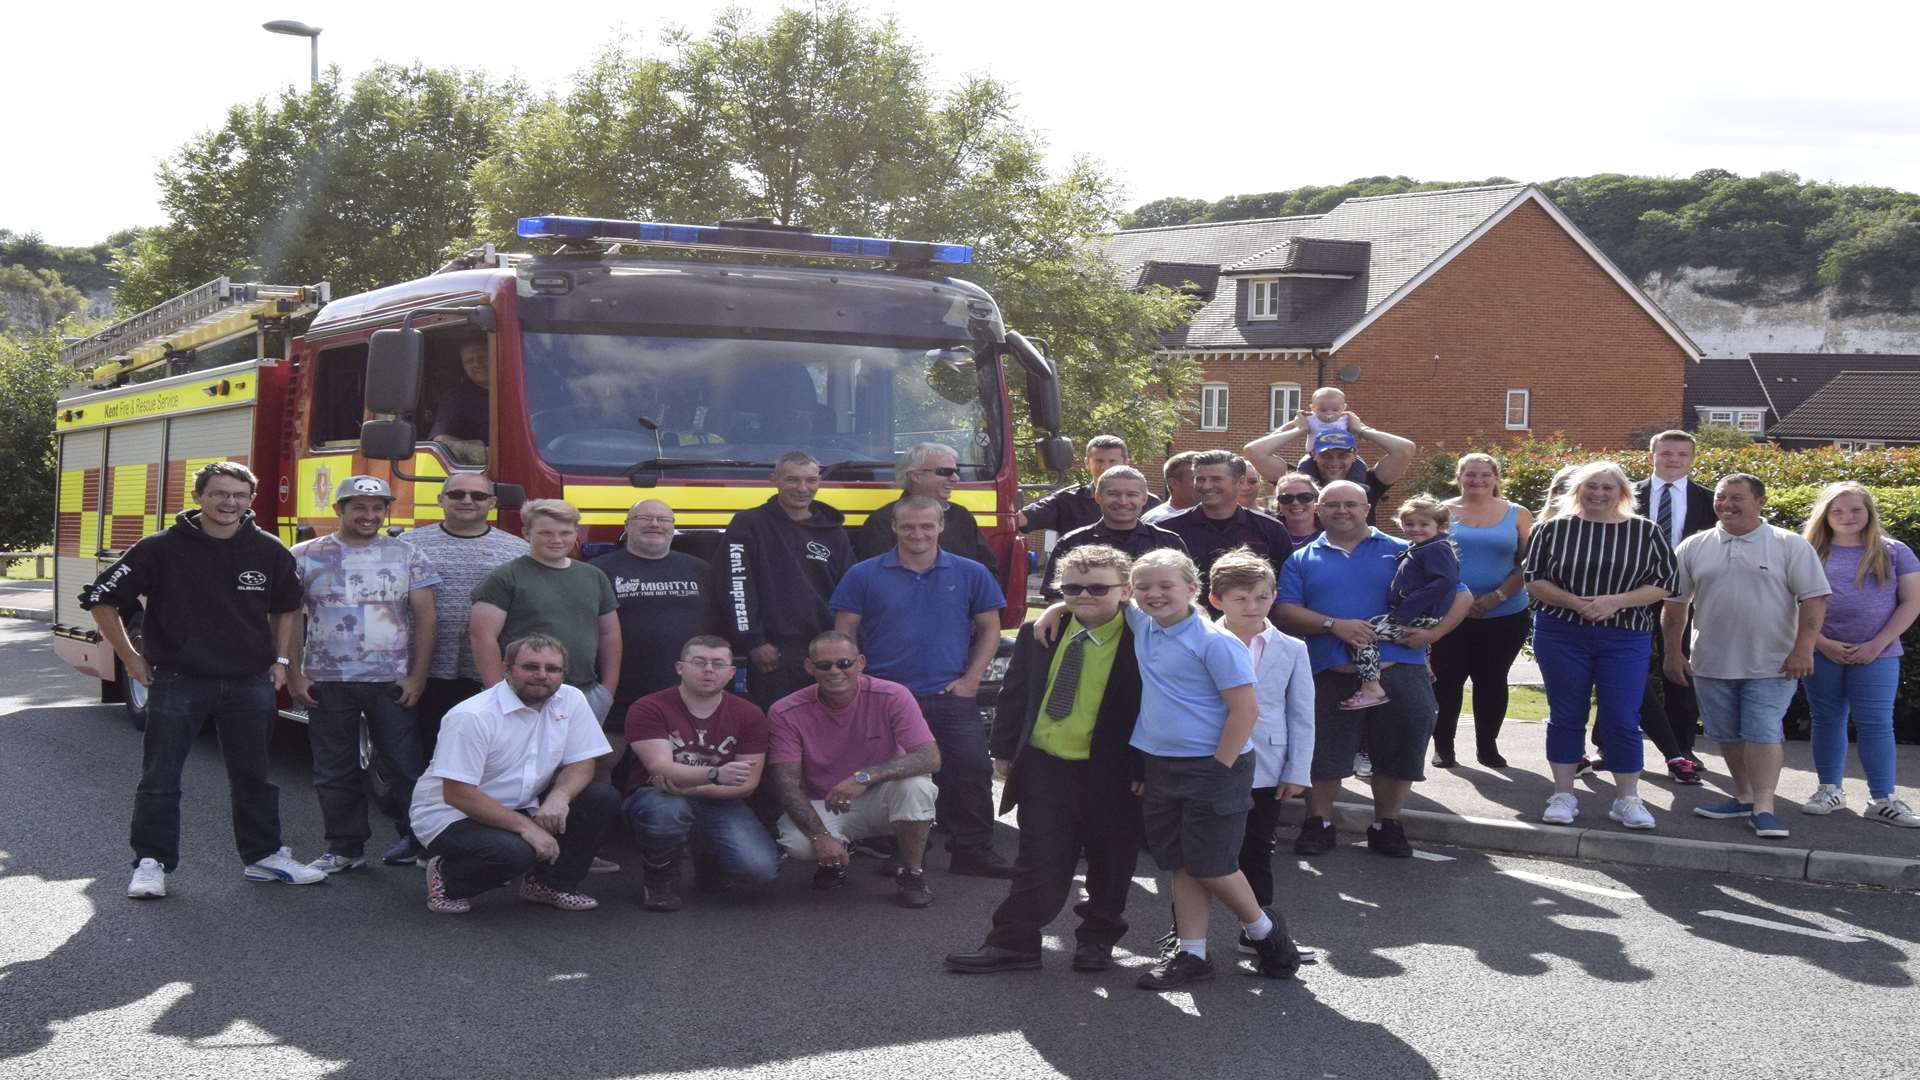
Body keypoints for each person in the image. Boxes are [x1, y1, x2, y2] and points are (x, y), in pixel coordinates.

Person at [87, 461, 327, 898]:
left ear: (250, 500)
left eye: (238, 495)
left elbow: (287, 606)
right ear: (199, 496)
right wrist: (132, 657)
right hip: (179, 680)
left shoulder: (269, 550)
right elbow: (101, 598)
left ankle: (264, 857)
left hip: (249, 682)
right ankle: (151, 863)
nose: (228, 502)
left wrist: (280, 662)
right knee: (161, 776)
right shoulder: (159, 547)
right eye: (218, 493)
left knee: (254, 775)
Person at [945, 545, 1146, 975]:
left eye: (1097, 587)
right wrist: (1002, 749)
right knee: (1038, 861)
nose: (1084, 596)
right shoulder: (1044, 632)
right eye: (1071, 588)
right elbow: (1015, 691)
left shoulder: (1147, 637)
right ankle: (1013, 943)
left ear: (1126, 590)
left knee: (1111, 861)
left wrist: (1146, 768)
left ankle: (1097, 940)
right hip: (1045, 765)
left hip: (1113, 770)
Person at [1107, 548, 1299, 989]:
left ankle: (1266, 932)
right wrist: (1054, 609)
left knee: (1212, 864)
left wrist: (1220, 768)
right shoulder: (1144, 624)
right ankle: (1192, 955)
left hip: (1215, 766)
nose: (1154, 595)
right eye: (1144, 587)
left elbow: (1245, 711)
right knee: (1181, 863)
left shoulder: (1215, 643)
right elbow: (1109, 599)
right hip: (1161, 766)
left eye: (1166, 586)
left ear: (1193, 590)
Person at [1275, 479, 1472, 859]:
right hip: (1330, 672)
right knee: (1323, 752)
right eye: (1332, 505)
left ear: (1367, 508)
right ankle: (1319, 822)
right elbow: (1284, 611)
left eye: (1351, 504)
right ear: (1319, 509)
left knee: (1401, 749)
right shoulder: (1302, 558)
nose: (1342, 511)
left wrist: (1434, 635)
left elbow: (1460, 593)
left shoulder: (1405, 549)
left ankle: (1387, 824)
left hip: (1402, 667)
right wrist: (1333, 624)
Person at [832, 496, 1012, 877]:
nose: (918, 533)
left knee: (971, 770)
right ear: (894, 527)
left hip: (950, 693)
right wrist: (857, 683)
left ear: (941, 527)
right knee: (896, 775)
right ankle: (905, 854)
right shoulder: (862, 574)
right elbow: (844, 633)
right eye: (909, 526)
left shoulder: (971, 572)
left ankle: (973, 850)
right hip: (885, 697)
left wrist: (971, 681)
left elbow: (990, 628)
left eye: (927, 526)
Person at [287, 475, 441, 873]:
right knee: (333, 769)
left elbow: (426, 619)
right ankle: (345, 847)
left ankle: (421, 842)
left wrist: (417, 676)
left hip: (391, 679)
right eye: (358, 506)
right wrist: (294, 675)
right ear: (338, 510)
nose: (369, 515)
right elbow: (287, 619)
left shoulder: (407, 555)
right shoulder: (303, 555)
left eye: (377, 507)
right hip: (326, 679)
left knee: (406, 767)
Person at [1667, 474, 1831, 840]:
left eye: (1737, 497)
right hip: (1711, 660)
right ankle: (1742, 796)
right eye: (1721, 497)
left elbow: (1814, 599)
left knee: (1762, 731)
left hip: (1772, 662)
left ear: (1760, 501)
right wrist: (1672, 654)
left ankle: (1764, 806)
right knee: (1726, 733)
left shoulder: (1790, 544)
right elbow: (1676, 605)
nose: (1726, 504)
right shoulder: (1693, 546)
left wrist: (1803, 649)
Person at [410, 634, 622, 913]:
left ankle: (550, 885)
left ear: (563, 674)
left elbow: (583, 763)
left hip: (522, 802)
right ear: (507, 670)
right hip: (451, 814)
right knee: (516, 853)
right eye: (531, 667)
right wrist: (527, 828)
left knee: (600, 797)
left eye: (553, 669)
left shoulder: (571, 700)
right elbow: (457, 794)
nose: (542, 675)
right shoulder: (472, 716)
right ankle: (447, 878)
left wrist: (559, 797)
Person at [1522, 461, 1677, 832]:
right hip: (1561, 632)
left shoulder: (1646, 531)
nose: (1598, 493)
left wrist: (1615, 601)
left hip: (1625, 634)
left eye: (1607, 487)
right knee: (1566, 714)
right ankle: (1563, 794)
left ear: (1621, 493)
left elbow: (1665, 582)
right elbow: (1533, 579)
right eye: (1591, 486)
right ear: (1577, 490)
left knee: (1622, 716)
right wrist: (1576, 602)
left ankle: (1627, 799)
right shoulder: (1551, 529)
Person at [766, 632, 942, 908]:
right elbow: (786, 783)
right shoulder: (785, 711)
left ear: (860, 663)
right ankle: (836, 854)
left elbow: (929, 758)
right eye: (824, 665)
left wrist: (864, 776)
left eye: (844, 663)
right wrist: (820, 836)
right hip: (825, 801)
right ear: (809, 668)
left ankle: (913, 872)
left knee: (917, 786)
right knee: (798, 843)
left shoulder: (893, 695)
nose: (835, 671)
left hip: (881, 796)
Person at [622, 636, 779, 912]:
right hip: (657, 795)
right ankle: (660, 878)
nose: (709, 669)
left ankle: (709, 859)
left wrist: (689, 788)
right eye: (699, 662)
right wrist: (716, 774)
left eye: (718, 663)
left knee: (760, 870)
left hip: (713, 798)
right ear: (680, 668)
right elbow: (660, 769)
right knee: (667, 811)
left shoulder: (750, 714)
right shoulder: (649, 707)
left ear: (731, 673)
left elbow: (747, 785)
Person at [1799, 483, 1920, 827]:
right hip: (1822, 653)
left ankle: (1883, 799)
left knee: (1877, 725)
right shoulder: (1807, 550)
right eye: (1837, 511)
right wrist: (1821, 643)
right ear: (1825, 515)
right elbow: (1790, 602)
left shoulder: (1894, 551)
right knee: (1826, 720)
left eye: (1855, 510)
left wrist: (1876, 644)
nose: (1847, 517)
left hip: (1877, 655)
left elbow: (1912, 601)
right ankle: (1829, 790)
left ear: (1869, 512)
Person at [1210, 549, 1313, 925]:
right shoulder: (1200, 639)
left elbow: (1302, 713)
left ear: (1274, 595)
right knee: (1201, 853)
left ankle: (1260, 929)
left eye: (1262, 597)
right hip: (1210, 760)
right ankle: (1188, 933)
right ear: (1217, 599)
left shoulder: (1292, 648)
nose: (1253, 606)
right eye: (1241, 598)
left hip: (1266, 767)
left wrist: (1297, 769)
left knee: (1257, 848)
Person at [1611, 429, 1719, 783]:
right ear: (1652, 456)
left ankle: (1683, 749)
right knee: (1622, 673)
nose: (1673, 460)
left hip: (1686, 598)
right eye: (1666, 453)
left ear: (1692, 459)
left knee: (1679, 671)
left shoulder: (1709, 500)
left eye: (1681, 455)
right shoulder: (1626, 496)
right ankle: (1606, 744)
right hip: (1630, 596)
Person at [401, 474, 528, 759]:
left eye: (478, 496)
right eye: (457, 495)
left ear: (492, 503)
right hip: (425, 666)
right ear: (440, 500)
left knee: (481, 750)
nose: (467, 501)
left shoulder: (518, 550)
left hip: (486, 668)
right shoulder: (408, 546)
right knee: (425, 749)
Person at [719, 452, 854, 709]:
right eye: (792, 480)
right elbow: (736, 585)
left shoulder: (835, 532)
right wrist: (754, 640)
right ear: (775, 480)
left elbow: (849, 592)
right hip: (774, 653)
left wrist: (845, 647)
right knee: (779, 729)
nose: (803, 489)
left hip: (827, 653)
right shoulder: (748, 524)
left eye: (811, 480)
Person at [469, 499, 620, 723]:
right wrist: (498, 694)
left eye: (565, 532)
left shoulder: (593, 576)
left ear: (576, 533)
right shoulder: (505, 577)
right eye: (546, 533)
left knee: (581, 759)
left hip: (583, 693)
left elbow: (610, 634)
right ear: (526, 533)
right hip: (523, 695)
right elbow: (482, 637)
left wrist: (607, 689)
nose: (557, 540)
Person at [1429, 454, 1533, 768]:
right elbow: (1426, 557)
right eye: (1471, 475)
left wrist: (1497, 596)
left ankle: (1487, 747)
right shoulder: (1440, 511)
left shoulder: (1518, 513)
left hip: (1505, 612)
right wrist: (1456, 598)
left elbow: (1528, 564)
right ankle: (1443, 748)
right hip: (1449, 612)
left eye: (1485, 475)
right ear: (1459, 476)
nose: (1478, 481)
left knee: (1492, 680)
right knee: (1446, 681)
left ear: (1496, 478)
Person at [591, 499, 711, 731]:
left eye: (664, 519)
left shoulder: (701, 569)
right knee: (608, 761)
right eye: (645, 518)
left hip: (685, 690)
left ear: (673, 527)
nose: (655, 524)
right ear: (627, 526)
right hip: (620, 689)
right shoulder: (597, 571)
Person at [1339, 496, 1461, 711]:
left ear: (1440, 527)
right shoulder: (1420, 547)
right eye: (1409, 524)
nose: (1415, 529)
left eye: (1424, 524)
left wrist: (1407, 608)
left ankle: (1371, 687)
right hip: (1417, 612)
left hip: (1418, 613)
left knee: (1360, 634)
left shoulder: (1436, 548)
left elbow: (1445, 582)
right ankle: (1426, 665)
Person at [1155, 450, 1294, 603]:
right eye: (1200, 479)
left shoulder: (1270, 529)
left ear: (1240, 482)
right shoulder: (1167, 530)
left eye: (1216, 479)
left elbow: (1285, 588)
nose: (1206, 486)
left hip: (1250, 620)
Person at [1039, 465, 1186, 600]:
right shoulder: (1072, 543)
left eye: (1131, 494)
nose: (1123, 501)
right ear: (1098, 497)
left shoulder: (1168, 542)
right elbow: (1055, 597)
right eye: (1113, 494)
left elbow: (1185, 593)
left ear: (1144, 498)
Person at [1244, 409, 1416, 524]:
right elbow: (1254, 451)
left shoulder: (1369, 481)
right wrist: (1297, 429)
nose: (1334, 462)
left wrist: (1362, 429)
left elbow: (1405, 450)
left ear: (1355, 455)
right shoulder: (1298, 480)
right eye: (1326, 455)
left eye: (1343, 455)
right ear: (1313, 455)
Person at [855, 442, 995, 567]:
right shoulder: (882, 521)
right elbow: (873, 579)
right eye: (945, 472)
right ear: (915, 476)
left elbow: (988, 571)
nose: (955, 479)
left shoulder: (962, 516)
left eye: (956, 472)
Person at [1017, 435, 1161, 536]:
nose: (1105, 467)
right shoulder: (1067, 501)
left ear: (1126, 463)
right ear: (1087, 463)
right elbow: (1020, 519)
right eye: (1099, 461)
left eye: (1112, 461)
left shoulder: (1149, 502)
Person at [430, 337, 491, 465]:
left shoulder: (524, 388)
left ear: (495, 355)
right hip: (480, 475)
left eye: (482, 357)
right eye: (469, 361)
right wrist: (483, 453)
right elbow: (441, 440)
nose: (477, 364)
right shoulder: (456, 398)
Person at [1292, 387, 1368, 484]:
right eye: (1323, 410)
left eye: (1335, 410)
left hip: (1344, 451)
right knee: (1304, 466)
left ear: (1343, 408)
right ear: (1313, 408)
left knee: (1360, 465)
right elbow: (1292, 426)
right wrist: (1298, 426)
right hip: (1313, 454)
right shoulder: (1310, 418)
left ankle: (1357, 485)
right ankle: (1309, 488)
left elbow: (1361, 429)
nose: (1329, 413)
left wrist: (1363, 432)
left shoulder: (1346, 418)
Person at [1141, 451, 1200, 524]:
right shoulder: (1156, 521)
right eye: (1197, 479)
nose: (1206, 485)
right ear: (1173, 483)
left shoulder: (1211, 517)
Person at [1272, 473, 1322, 552]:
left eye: (1305, 497)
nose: (1295, 503)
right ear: (1279, 506)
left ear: (1316, 503)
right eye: (1286, 498)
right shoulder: (1269, 538)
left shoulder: (1331, 537)